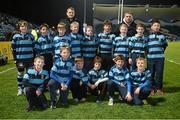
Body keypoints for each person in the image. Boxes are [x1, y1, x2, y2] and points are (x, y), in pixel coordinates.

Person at [11, 20, 35, 96]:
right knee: (20, 74)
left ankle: (26, 88)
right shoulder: (15, 37)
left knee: (29, 74)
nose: (23, 27)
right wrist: (15, 59)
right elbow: (13, 49)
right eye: (22, 26)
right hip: (20, 60)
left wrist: (34, 59)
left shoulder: (31, 36)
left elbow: (34, 49)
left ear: (27, 28)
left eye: (25, 26)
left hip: (30, 59)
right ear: (19, 28)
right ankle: (20, 88)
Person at [147, 19, 168, 96]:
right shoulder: (148, 36)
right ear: (151, 27)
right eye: (155, 25)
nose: (156, 27)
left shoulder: (162, 36)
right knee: (151, 74)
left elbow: (165, 45)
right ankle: (151, 88)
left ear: (159, 27)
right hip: (150, 58)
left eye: (158, 26)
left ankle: (159, 88)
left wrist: (160, 52)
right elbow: (146, 46)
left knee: (159, 73)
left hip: (160, 58)